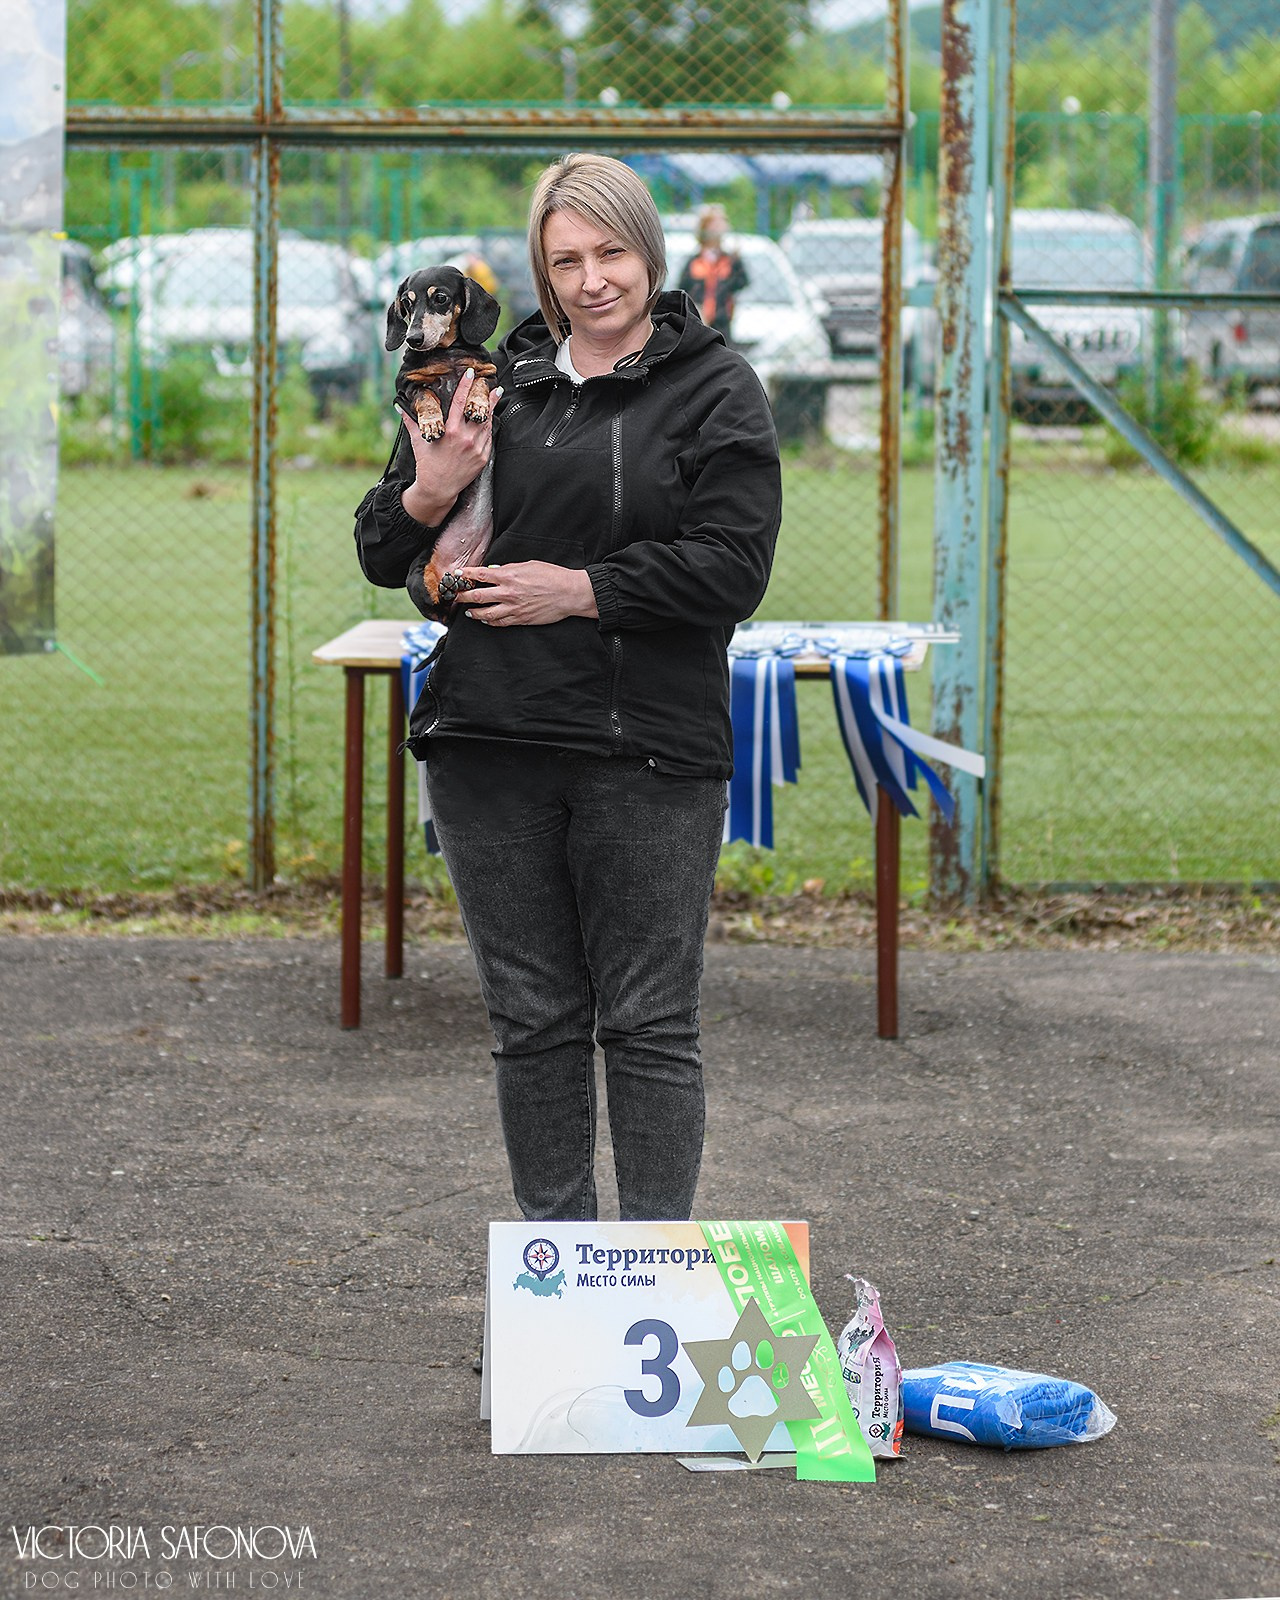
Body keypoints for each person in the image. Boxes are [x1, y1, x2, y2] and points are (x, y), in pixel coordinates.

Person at [354, 153, 781, 1223]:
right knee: (532, 1020)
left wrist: (578, 590)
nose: (591, 280)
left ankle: (648, 1273)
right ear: (538, 274)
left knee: (646, 1022)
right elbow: (380, 547)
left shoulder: (716, 388)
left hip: (647, 752)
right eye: (565, 261)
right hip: (488, 745)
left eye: (610, 253)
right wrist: (432, 489)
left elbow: (732, 567)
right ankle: (556, 1283)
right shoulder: (486, 382)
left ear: (649, 249)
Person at [677, 203, 749, 340]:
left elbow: (742, 282)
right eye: (713, 224)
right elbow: (683, 286)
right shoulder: (695, 261)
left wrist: (736, 263)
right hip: (698, 319)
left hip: (722, 320)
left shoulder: (729, 260)